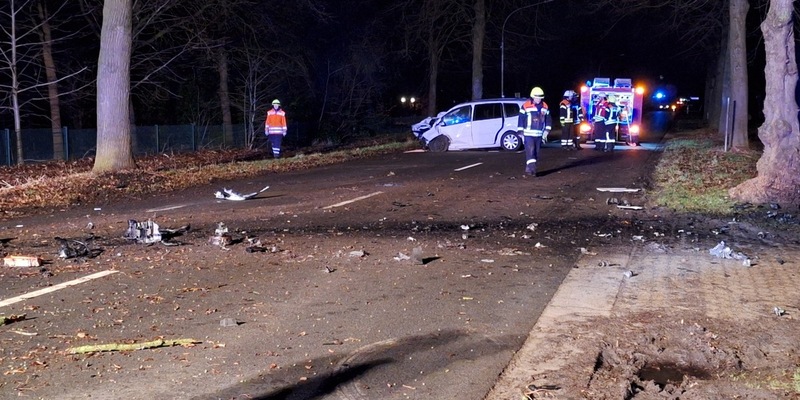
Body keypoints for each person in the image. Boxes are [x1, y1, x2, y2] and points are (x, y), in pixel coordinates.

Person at [517, 87, 552, 177]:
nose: (539, 99)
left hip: (539, 134)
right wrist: (520, 131)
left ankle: (529, 168)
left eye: (540, 97)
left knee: (536, 152)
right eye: (537, 97)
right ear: (533, 97)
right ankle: (532, 170)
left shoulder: (545, 106)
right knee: (530, 151)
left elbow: (548, 119)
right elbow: (521, 118)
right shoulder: (525, 106)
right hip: (528, 134)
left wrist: (547, 130)